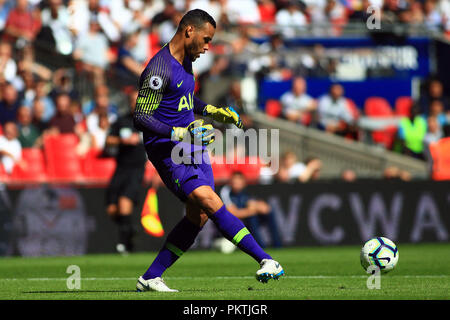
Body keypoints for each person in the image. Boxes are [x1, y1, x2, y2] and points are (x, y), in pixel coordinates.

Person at [133, 9, 284, 292]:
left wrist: (212, 111)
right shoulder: (158, 68)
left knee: (199, 216)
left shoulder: (186, 62)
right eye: (206, 39)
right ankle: (265, 259)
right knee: (207, 199)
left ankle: (151, 277)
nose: (207, 47)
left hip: (192, 145)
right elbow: (141, 116)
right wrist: (178, 132)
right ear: (189, 30)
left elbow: (185, 98)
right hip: (168, 149)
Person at [105, 89, 147, 254]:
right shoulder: (121, 121)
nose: (135, 104)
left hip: (137, 169)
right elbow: (108, 141)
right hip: (121, 168)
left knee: (124, 202)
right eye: (133, 101)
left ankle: (123, 244)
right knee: (112, 210)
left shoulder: (149, 121)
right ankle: (130, 229)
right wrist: (123, 140)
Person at [220, 171, 282, 249]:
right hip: (232, 223)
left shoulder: (247, 191)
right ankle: (260, 247)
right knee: (252, 218)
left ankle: (277, 245)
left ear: (243, 182)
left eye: (238, 181)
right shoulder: (226, 191)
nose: (235, 184)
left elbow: (265, 208)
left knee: (269, 214)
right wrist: (251, 211)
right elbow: (233, 213)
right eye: (234, 182)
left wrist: (254, 207)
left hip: (246, 217)